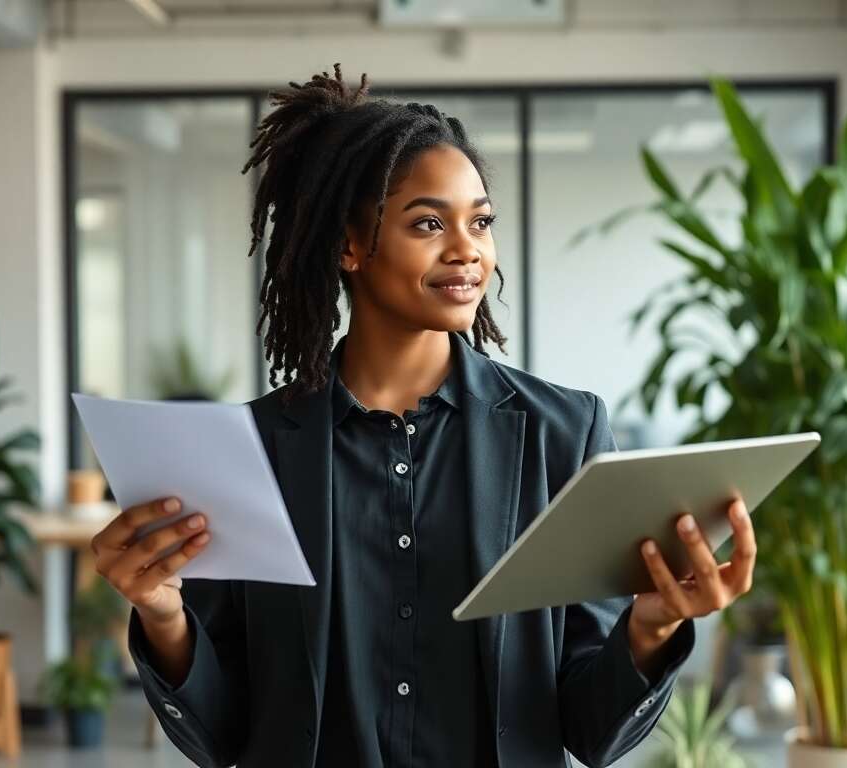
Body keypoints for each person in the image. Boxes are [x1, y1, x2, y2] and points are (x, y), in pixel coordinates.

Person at [91, 64, 757, 768]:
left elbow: (590, 734)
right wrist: (164, 617)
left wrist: (650, 627)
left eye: (481, 222)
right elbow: (223, 736)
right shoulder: (251, 450)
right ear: (348, 246)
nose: (467, 248)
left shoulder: (564, 434)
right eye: (429, 223)